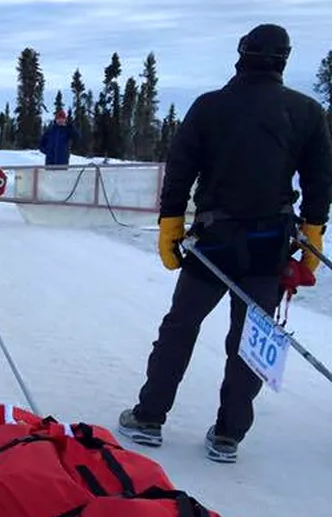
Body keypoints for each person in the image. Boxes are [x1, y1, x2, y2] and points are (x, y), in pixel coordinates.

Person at [116, 23, 331, 463]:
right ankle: (229, 435)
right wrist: (314, 230)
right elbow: (319, 179)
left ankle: (149, 416)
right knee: (252, 338)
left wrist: (171, 223)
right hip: (269, 244)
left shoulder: (210, 106)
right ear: (284, 60)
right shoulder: (306, 111)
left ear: (242, 54)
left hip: (214, 242)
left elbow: (180, 168)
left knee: (180, 327)